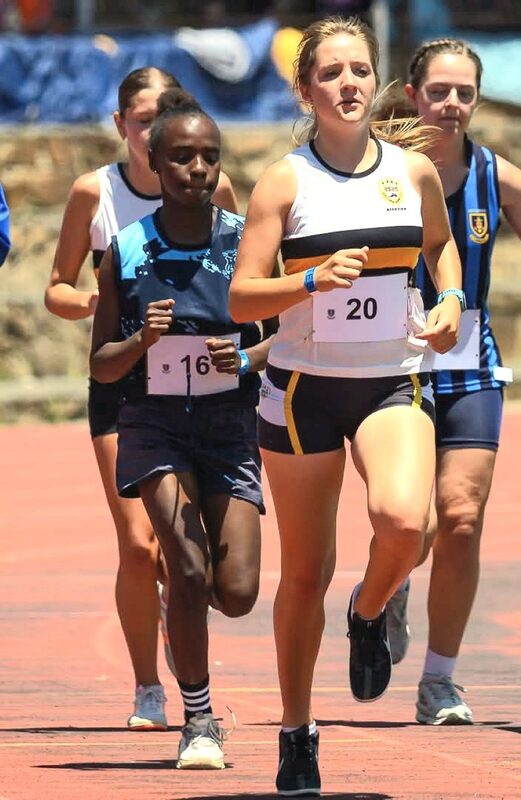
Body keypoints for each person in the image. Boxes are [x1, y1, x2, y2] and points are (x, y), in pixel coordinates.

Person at [227, 17, 463, 796]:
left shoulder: (412, 170)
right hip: (302, 392)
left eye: (359, 69)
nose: (348, 83)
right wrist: (308, 282)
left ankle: (369, 612)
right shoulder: (284, 182)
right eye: (330, 73)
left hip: (391, 378)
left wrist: (453, 296)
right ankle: (297, 732)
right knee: (304, 573)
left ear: (378, 80)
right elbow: (239, 298)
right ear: (305, 90)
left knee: (407, 523)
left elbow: (439, 247)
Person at [371, 37, 521, 726]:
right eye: (439, 91)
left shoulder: (497, 176)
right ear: (412, 95)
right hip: (394, 358)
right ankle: (388, 588)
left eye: (465, 93)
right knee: (412, 523)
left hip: (470, 360)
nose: (452, 104)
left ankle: (440, 680)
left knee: (461, 517)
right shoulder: (383, 172)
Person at [44, 66, 238, 732]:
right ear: (123, 124)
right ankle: (149, 686)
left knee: (207, 571)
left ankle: (182, 616)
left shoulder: (215, 191)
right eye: (140, 115)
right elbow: (56, 289)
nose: (152, 125)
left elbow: (245, 287)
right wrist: (109, 303)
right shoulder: (92, 193)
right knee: (139, 546)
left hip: (209, 396)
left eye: (166, 111)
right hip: (127, 385)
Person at [89, 90, 268, 770]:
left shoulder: (246, 241)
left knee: (238, 591)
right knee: (188, 569)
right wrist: (140, 342)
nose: (197, 168)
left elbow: (286, 336)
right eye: (182, 157)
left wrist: (246, 355)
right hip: (154, 426)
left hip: (227, 429)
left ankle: (183, 607)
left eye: (209, 157)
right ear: (155, 163)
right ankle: (199, 721)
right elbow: (102, 366)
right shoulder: (127, 253)